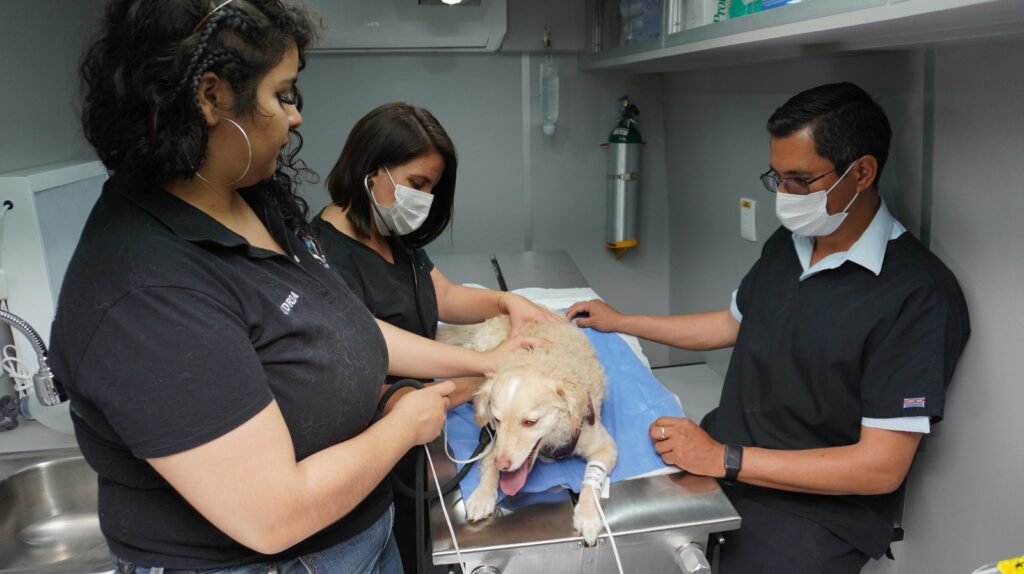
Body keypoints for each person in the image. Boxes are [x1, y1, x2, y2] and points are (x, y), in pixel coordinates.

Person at [51, 2, 536, 573]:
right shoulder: (146, 292)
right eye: (283, 95)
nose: (297, 116)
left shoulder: (250, 200)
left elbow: (339, 328)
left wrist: (481, 365)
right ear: (210, 98)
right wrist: (404, 424)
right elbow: (273, 516)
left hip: (362, 535)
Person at [567, 82, 970, 573]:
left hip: (812, 512)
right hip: (724, 459)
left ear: (861, 172)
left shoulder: (916, 294)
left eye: (801, 180)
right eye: (776, 178)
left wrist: (725, 459)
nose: (785, 195)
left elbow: (880, 467)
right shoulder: (792, 242)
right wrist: (620, 321)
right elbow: (730, 323)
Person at [311, 101, 559, 573]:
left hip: (430, 427)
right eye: (417, 184)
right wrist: (485, 367)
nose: (424, 199)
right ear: (370, 169)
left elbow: (440, 293)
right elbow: (368, 351)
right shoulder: (321, 256)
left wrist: (506, 303)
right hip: (384, 440)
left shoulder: (389, 233)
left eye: (433, 188)